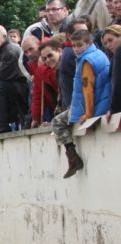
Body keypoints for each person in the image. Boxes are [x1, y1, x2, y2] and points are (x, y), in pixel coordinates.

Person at [52, 29, 112, 178]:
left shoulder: (87, 61)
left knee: (57, 121)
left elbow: (88, 90)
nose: (76, 49)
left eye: (79, 45)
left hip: (91, 107)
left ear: (89, 43)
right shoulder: (99, 55)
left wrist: (89, 115)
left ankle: (72, 156)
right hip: (100, 102)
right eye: (73, 46)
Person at [0, 25, 29, 135]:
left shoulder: (10, 51)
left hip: (21, 87)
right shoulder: (1, 51)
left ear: (4, 37)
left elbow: (1, 76)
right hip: (13, 86)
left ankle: (2, 124)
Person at [31, 38, 63, 127]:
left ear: (59, 51)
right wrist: (36, 118)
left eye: (50, 56)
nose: (48, 60)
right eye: (44, 58)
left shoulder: (67, 65)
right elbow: (37, 96)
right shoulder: (42, 72)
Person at [102, 25, 121, 113]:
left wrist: (113, 109)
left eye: (110, 40)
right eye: (105, 43)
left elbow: (117, 83)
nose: (108, 45)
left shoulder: (119, 53)